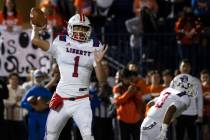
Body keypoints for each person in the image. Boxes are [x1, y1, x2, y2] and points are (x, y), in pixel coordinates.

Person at [31, 13, 108, 140]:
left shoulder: (94, 45)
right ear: (70, 27)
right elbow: (35, 40)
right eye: (78, 27)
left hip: (81, 100)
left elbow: (102, 80)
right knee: (50, 135)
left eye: (84, 28)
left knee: (88, 136)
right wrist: (35, 29)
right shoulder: (61, 42)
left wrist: (98, 63)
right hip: (62, 98)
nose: (81, 31)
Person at [140, 73, 197, 140]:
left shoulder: (167, 90)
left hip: (146, 122)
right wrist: (163, 131)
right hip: (157, 125)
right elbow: (171, 109)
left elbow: (150, 104)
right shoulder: (184, 98)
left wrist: (147, 117)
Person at [21, 69, 52, 140]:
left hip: (44, 116)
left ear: (43, 78)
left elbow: (53, 103)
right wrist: (33, 107)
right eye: (37, 77)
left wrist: (45, 105)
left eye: (40, 77)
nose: (39, 79)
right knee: (33, 136)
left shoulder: (46, 91)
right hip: (33, 116)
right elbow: (22, 103)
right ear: (34, 78)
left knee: (44, 135)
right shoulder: (31, 91)